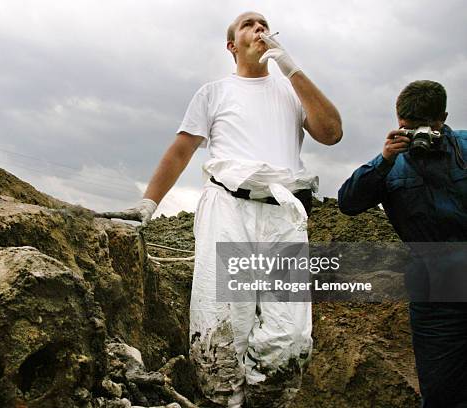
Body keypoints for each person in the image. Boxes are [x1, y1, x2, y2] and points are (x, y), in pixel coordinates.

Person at [104, 11, 342, 407]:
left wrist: (291, 66)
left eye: (264, 22)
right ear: (232, 46)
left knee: (290, 338)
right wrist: (149, 202)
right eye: (248, 24)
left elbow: (332, 133)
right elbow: (181, 150)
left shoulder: (291, 93)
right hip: (229, 210)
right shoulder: (214, 93)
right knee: (225, 328)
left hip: (284, 216)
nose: (259, 28)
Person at [338, 80, 467, 408]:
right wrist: (382, 160)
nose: (417, 137)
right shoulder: (391, 163)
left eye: (425, 128)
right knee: (440, 390)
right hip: (434, 287)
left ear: (443, 119)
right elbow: (348, 203)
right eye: (408, 129)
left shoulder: (464, 147)